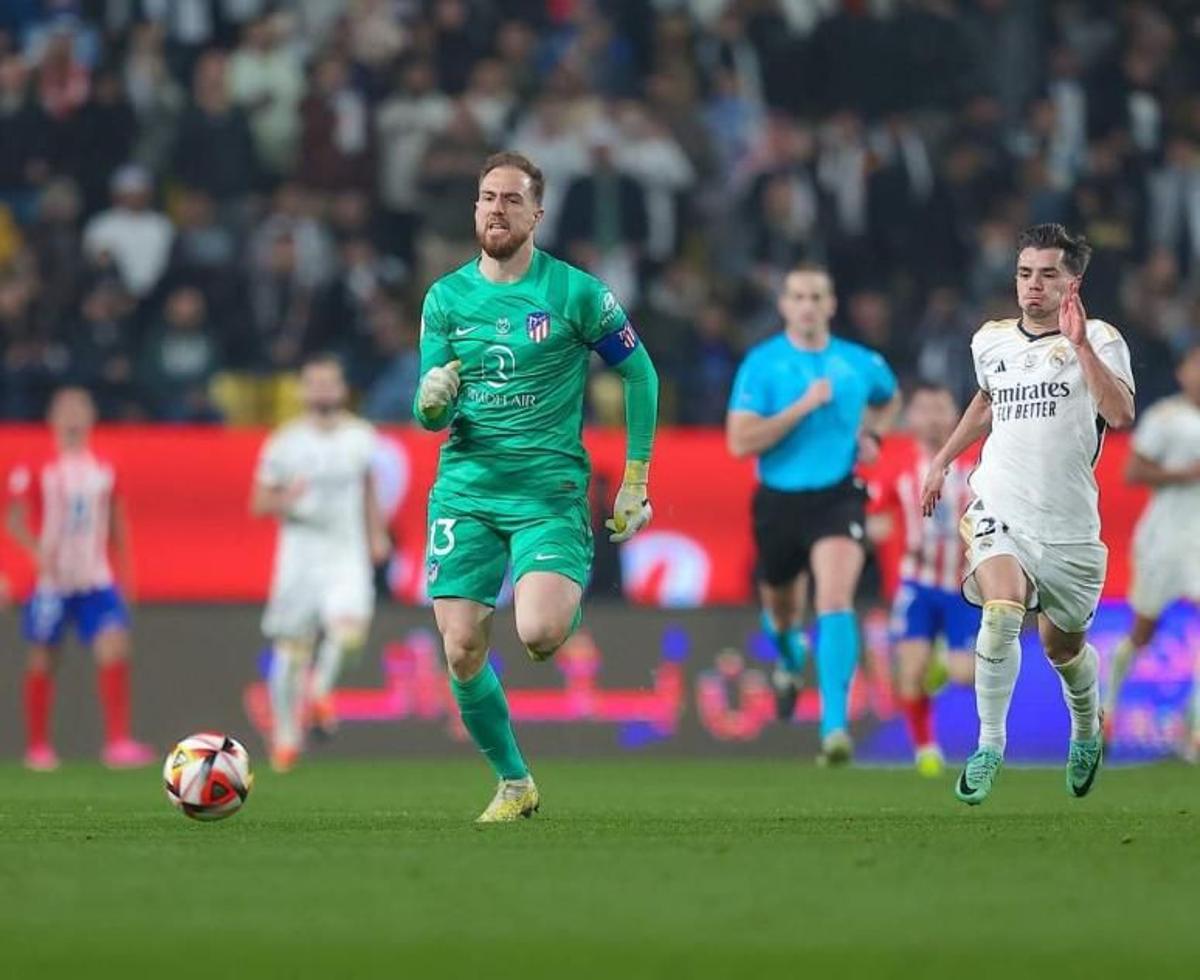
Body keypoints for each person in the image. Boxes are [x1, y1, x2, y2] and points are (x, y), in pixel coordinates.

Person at [414, 151, 658, 822]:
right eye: (486, 197)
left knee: (542, 635)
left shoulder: (576, 293)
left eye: (511, 200)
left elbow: (641, 375)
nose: (496, 209)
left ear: (537, 215)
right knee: (461, 647)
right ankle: (515, 783)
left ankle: (562, 583)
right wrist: (433, 398)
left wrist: (636, 476)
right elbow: (428, 413)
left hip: (547, 492)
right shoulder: (446, 298)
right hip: (466, 489)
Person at [921, 223, 1136, 806]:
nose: (1033, 286)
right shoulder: (990, 340)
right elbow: (988, 399)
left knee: (1064, 649)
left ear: (1073, 282)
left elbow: (1118, 415)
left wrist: (1082, 347)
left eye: (1047, 274)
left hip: (1068, 525)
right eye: (1024, 273)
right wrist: (943, 459)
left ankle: (1086, 729)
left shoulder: (1101, 339)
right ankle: (990, 745)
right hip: (1000, 501)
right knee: (1000, 609)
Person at [726, 264, 898, 765]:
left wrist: (874, 436)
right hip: (779, 498)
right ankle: (789, 657)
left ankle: (834, 727)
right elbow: (740, 441)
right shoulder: (762, 364)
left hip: (838, 495)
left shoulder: (858, 362)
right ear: (784, 306)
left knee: (835, 597)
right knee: (781, 609)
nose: (806, 305)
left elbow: (890, 399)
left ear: (831, 305)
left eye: (816, 296)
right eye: (797, 296)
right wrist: (801, 407)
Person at [251, 354, 390, 773]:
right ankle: (285, 738)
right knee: (291, 652)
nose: (323, 390)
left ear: (342, 388)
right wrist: (286, 499)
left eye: (331, 382)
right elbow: (259, 502)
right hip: (300, 556)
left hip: (345, 550)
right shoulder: (284, 442)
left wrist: (376, 532)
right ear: (303, 390)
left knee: (350, 635)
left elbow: (366, 487)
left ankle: (321, 692)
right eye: (315, 382)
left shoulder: (360, 436)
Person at [5, 387, 154, 771]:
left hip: (96, 579)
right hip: (52, 583)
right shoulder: (37, 465)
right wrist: (37, 553)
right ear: (53, 418)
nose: (72, 417)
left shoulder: (105, 466)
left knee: (115, 647)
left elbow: (117, 523)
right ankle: (38, 747)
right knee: (43, 658)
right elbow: (13, 518)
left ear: (90, 418)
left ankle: (117, 742)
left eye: (80, 409)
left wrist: (127, 575)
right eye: (65, 410)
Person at [867, 382, 978, 777]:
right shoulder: (897, 466)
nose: (933, 417)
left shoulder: (978, 465)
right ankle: (925, 749)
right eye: (924, 408)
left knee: (966, 675)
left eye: (941, 407)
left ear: (955, 415)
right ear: (910, 418)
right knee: (909, 672)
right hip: (915, 585)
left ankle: (945, 665)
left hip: (964, 586)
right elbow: (875, 516)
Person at [1103, 344, 1200, 754]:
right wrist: (1184, 474)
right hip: (1162, 538)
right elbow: (1133, 470)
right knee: (1143, 632)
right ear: (1182, 372)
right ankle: (1105, 712)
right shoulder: (1166, 418)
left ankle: (1194, 730)